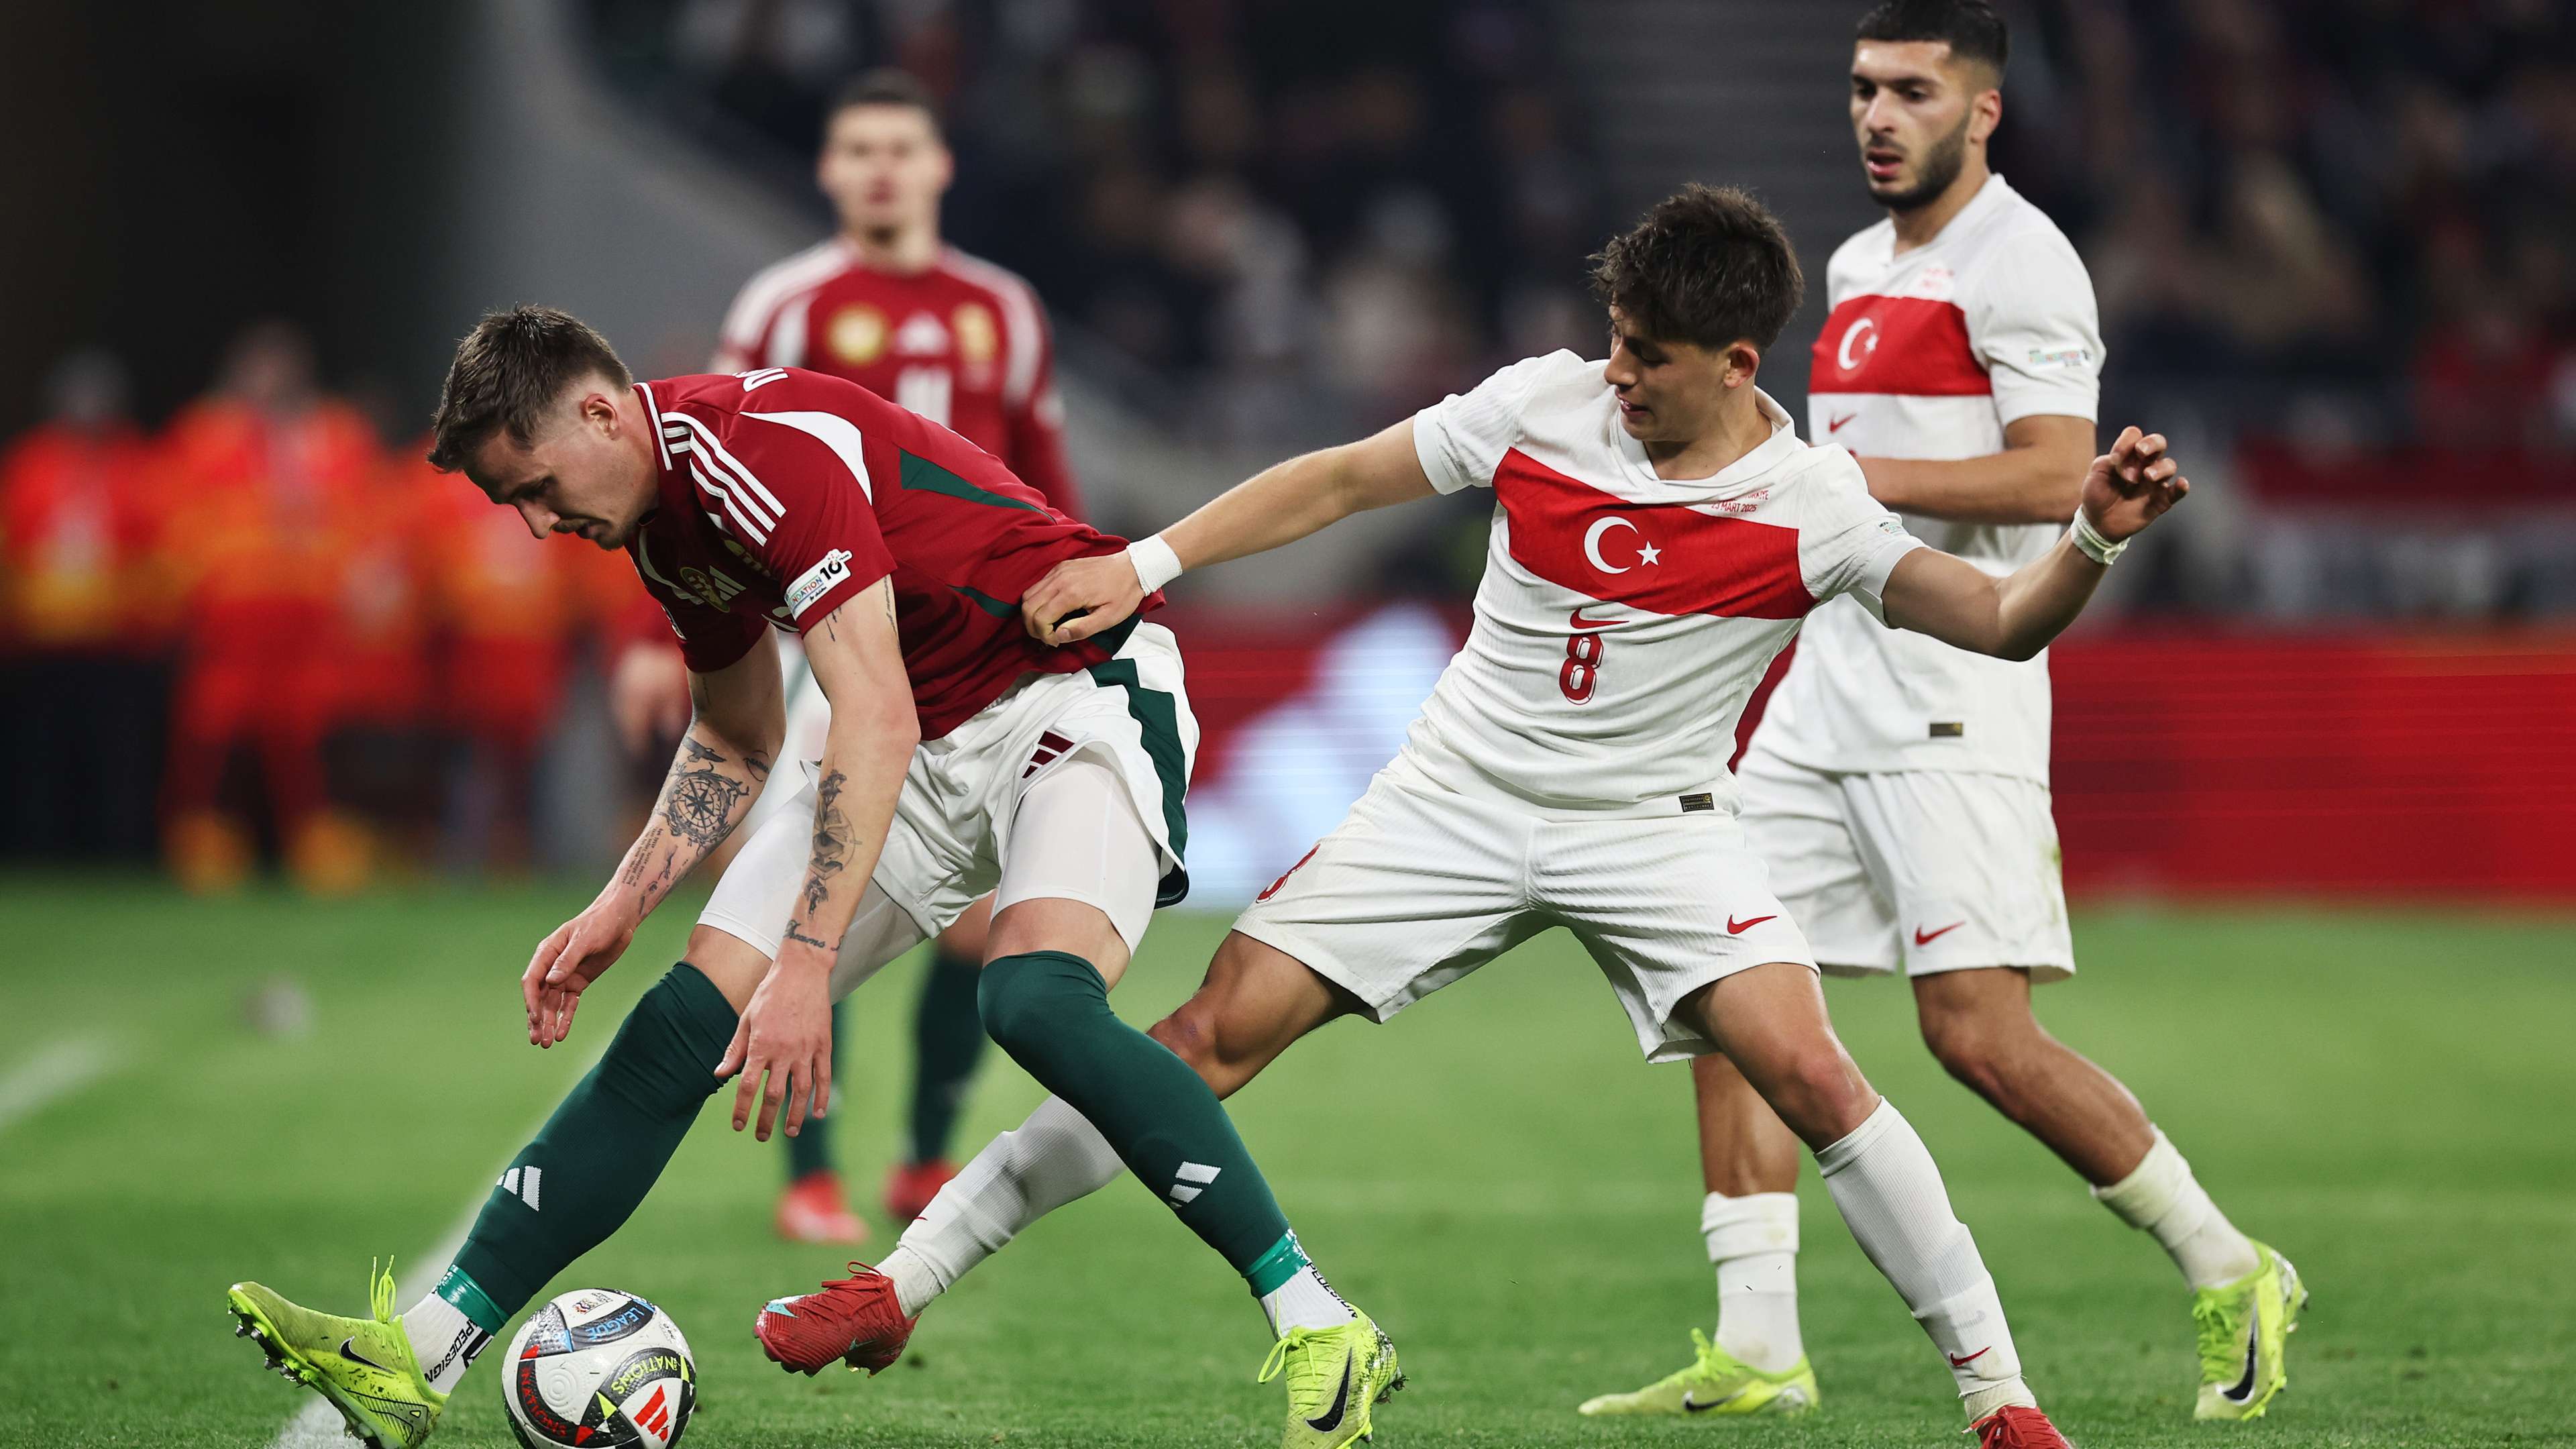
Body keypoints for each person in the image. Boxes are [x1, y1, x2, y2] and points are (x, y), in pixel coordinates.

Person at [761, 183, 2188, 1449]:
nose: (1617, 371)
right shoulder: (1542, 405)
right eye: (1616, 338)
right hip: (1451, 800)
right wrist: (1152, 559)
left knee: (1817, 1081)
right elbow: (1339, 477)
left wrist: (2093, 539)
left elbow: (2001, 623)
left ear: (1738, 366)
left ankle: (2000, 1401)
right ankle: (900, 1286)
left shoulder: (1814, 503)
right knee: (1202, 1040)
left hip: (1656, 827)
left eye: (1650, 356)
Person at [225, 307, 1387, 1449]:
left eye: (532, 487)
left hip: (1074, 689)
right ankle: (419, 1356)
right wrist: (625, 898)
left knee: (1031, 1000)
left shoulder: (753, 460)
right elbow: (739, 733)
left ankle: (1315, 1316)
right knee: (683, 1022)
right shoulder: (661, 527)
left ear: (596, 411)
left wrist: (808, 962)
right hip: (913, 731)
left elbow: (868, 709)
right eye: (511, 506)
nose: (534, 526)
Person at [1575, 1, 2304, 1426]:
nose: (1876, 116)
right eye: (1861, 89)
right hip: (1823, 695)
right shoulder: (1852, 261)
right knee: (1727, 987)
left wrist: (1850, 487)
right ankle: (1760, 1340)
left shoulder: (2025, 265)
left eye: (1911, 90)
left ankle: (2230, 1260)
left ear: (1984, 112)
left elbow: (2055, 475)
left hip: (1954, 701)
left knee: (1976, 1038)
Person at [667, 66, 1082, 1241]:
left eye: (903, 147)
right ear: (830, 170)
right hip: (823, 633)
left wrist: (1081, 604)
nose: (883, 168)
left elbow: (1046, 481)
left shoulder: (1003, 309)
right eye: (860, 150)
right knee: (817, 886)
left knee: (974, 911)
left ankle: (923, 1155)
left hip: (967, 637)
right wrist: (688, 637)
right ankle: (808, 1171)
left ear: (940, 165)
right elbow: (706, 477)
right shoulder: (785, 306)